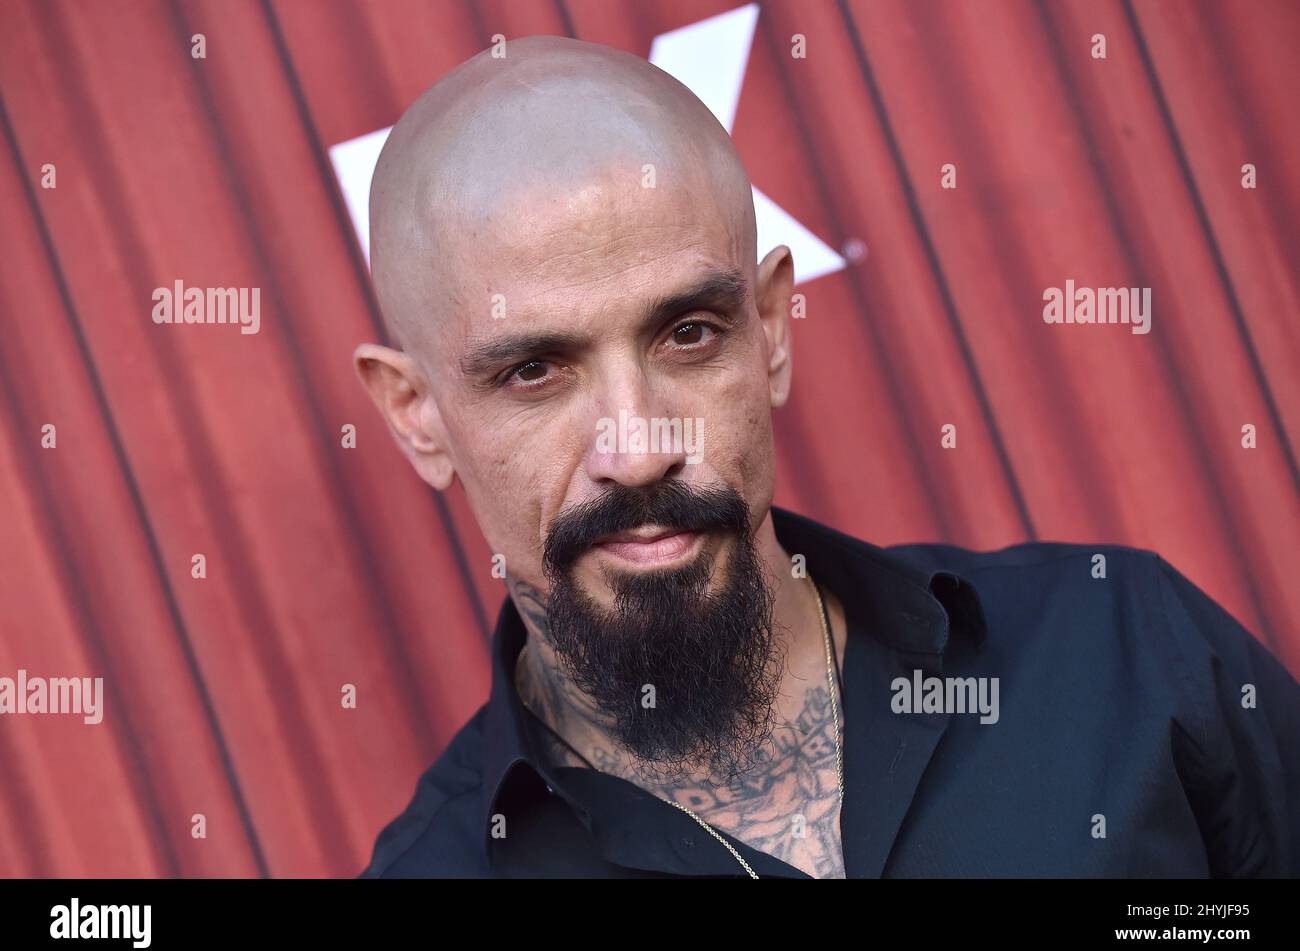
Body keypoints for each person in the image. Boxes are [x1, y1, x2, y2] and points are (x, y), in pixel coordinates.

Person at [353, 35, 1299, 878]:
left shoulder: (1121, 655)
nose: (638, 451)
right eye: (533, 372)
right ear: (416, 416)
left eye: (687, 333)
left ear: (769, 331)